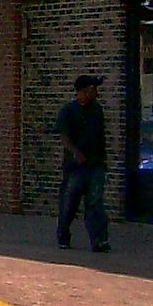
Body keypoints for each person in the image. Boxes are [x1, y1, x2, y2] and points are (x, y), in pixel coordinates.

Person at [55, 74, 111, 252]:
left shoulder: (97, 110)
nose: (95, 92)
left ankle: (99, 240)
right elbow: (63, 136)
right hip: (75, 167)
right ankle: (63, 236)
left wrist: (103, 160)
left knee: (95, 203)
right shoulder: (69, 111)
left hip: (95, 164)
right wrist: (75, 153)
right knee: (69, 204)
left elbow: (101, 137)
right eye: (92, 89)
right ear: (83, 91)